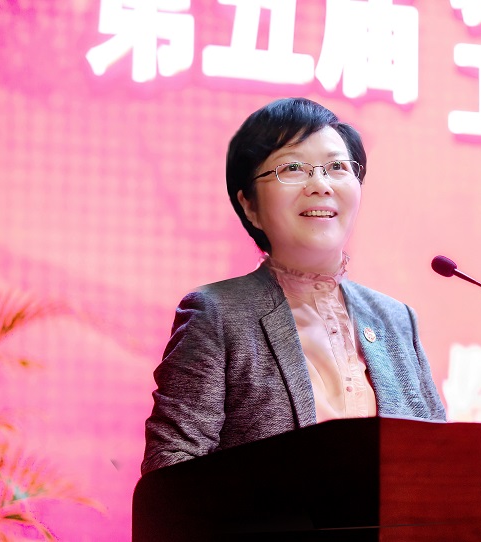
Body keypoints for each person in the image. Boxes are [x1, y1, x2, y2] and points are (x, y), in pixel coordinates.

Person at [141, 97, 446, 474]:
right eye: (293, 168)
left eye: (337, 167)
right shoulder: (217, 315)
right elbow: (170, 469)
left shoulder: (396, 320)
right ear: (250, 205)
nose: (320, 185)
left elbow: (440, 462)